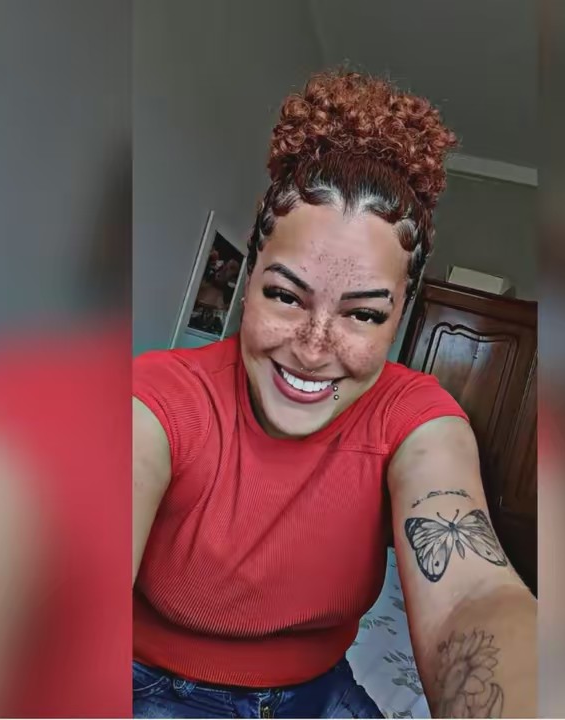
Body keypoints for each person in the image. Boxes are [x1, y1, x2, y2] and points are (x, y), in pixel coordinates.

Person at [133, 70, 536, 718]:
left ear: (399, 318)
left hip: (318, 692)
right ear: (250, 280)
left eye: (364, 314)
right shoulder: (159, 396)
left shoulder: (416, 416)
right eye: (286, 296)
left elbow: (471, 595)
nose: (315, 347)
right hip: (150, 687)